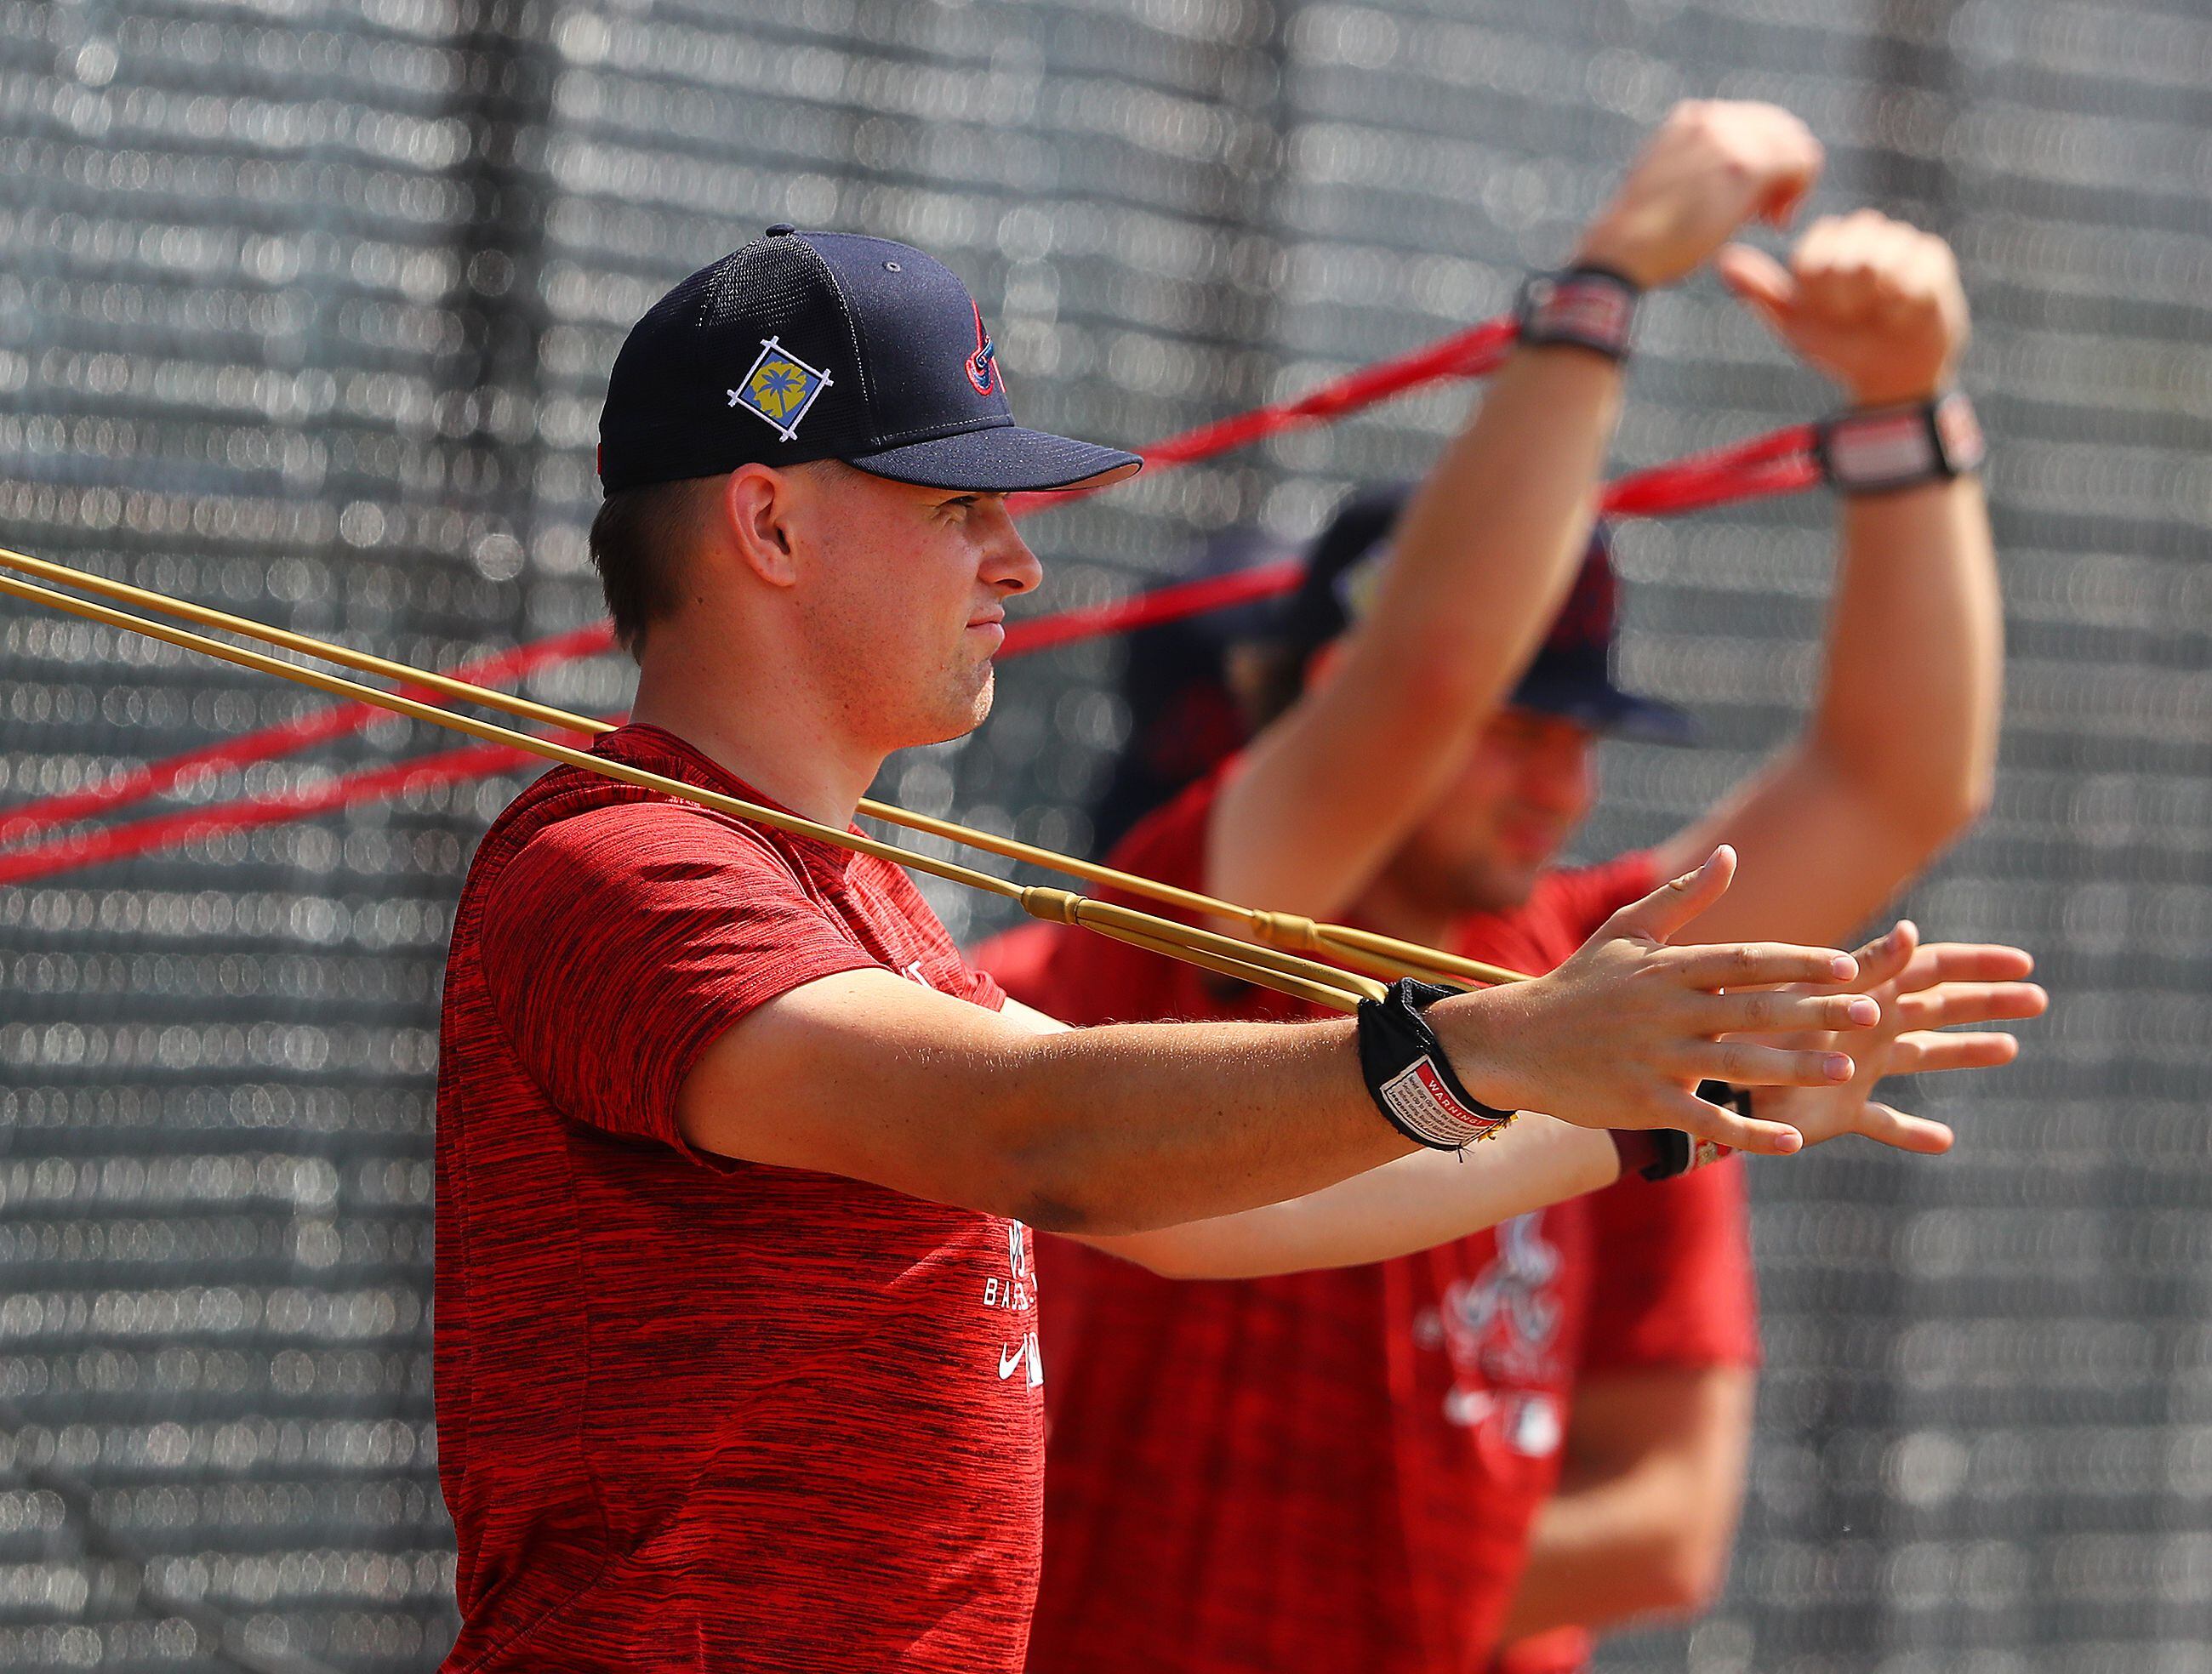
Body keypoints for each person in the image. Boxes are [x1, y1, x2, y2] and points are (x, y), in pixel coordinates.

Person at [430, 117, 2029, 1673]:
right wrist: (1491, 1055)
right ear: (767, 520)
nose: (1017, 564)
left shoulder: (860, 902)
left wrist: (1643, 1109)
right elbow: (1040, 1133)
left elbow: (1215, 1218)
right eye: (955, 507)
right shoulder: (622, 865)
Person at [983, 201, 2039, 1672]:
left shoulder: (1609, 993)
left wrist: (1904, 412)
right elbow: (1421, 677)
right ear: (1333, 685)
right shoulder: (1194, 925)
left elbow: (1895, 783)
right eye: (1514, 723)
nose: (1557, 775)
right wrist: (1610, 278)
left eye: (1580, 731)